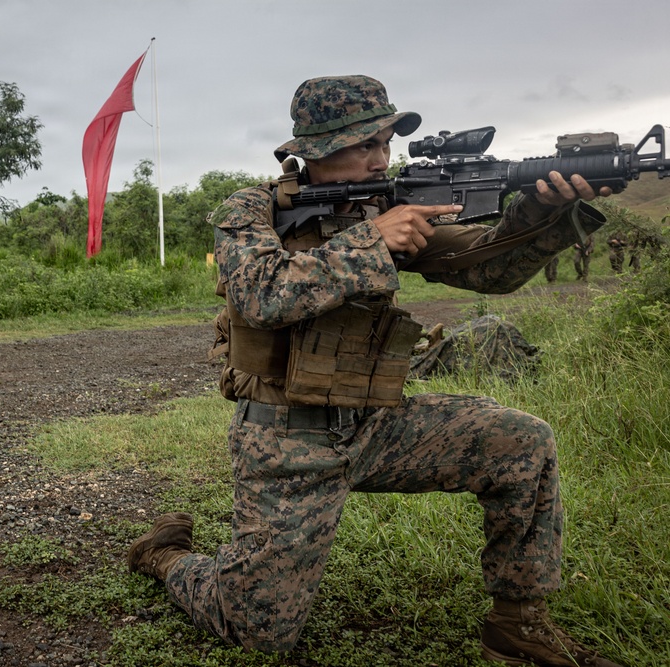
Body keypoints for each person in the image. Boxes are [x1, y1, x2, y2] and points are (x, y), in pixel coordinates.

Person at [128, 76, 623, 666]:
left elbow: (487, 270)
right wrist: (371, 242)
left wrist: (542, 211)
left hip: (375, 424)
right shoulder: (251, 209)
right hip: (285, 440)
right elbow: (259, 296)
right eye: (364, 144)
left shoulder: (383, 208)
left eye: (385, 143)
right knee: (256, 632)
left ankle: (519, 626)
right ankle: (165, 557)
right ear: (315, 149)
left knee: (523, 440)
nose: (381, 158)